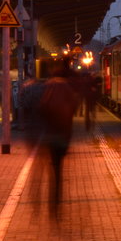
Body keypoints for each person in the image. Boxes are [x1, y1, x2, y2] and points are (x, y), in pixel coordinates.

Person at [37, 65, 80, 219]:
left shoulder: (48, 86)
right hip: (64, 135)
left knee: (52, 167)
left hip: (50, 134)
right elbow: (74, 108)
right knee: (58, 169)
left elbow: (42, 107)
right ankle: (57, 202)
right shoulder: (67, 88)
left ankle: (52, 205)